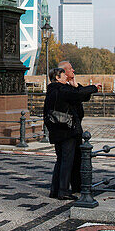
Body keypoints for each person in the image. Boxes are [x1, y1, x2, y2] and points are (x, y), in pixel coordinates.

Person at [44, 61, 100, 199]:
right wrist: (94, 87)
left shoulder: (54, 89)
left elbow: (78, 94)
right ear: (58, 77)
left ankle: (57, 190)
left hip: (60, 130)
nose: (70, 73)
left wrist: (76, 86)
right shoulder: (61, 89)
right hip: (67, 131)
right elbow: (78, 93)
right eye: (64, 74)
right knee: (66, 161)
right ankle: (63, 191)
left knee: (63, 160)